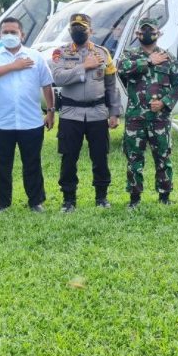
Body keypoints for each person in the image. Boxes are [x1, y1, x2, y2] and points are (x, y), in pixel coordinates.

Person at [0, 17, 55, 214]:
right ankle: (2, 203)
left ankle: (36, 201)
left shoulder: (35, 56)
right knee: (2, 164)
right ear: (0, 34)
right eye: (6, 32)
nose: (10, 35)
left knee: (32, 163)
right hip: (1, 122)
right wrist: (14, 66)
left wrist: (50, 112)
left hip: (31, 121)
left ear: (22, 35)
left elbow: (47, 84)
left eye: (14, 32)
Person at [49, 13, 120, 212]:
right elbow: (58, 78)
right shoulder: (60, 52)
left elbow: (111, 85)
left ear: (91, 30)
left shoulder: (102, 52)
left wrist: (114, 112)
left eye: (82, 27)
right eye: (74, 27)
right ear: (70, 30)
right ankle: (69, 200)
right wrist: (84, 66)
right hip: (71, 113)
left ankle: (101, 197)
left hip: (98, 112)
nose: (78, 31)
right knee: (69, 157)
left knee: (100, 156)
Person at [116, 17, 178, 209]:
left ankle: (164, 196)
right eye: (142, 31)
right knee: (134, 158)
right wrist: (149, 61)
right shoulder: (130, 55)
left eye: (150, 30)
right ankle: (135, 198)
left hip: (160, 119)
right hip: (136, 117)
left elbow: (177, 86)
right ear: (137, 34)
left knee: (163, 157)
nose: (146, 34)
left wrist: (164, 102)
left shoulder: (168, 57)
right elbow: (121, 69)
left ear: (158, 34)